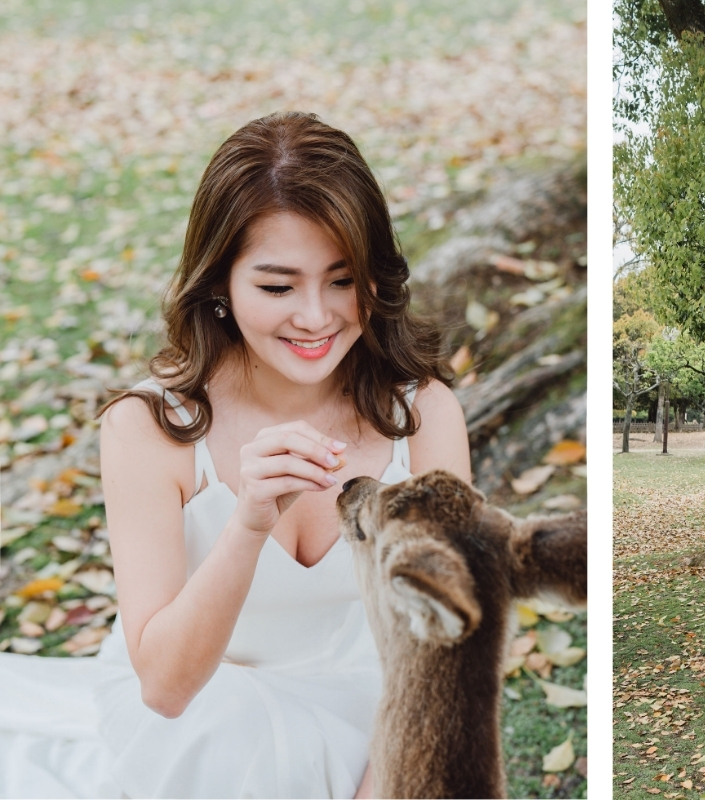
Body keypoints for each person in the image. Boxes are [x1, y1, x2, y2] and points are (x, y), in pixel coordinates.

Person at [0, 111, 470, 798]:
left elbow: (439, 650)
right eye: (278, 287)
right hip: (197, 726)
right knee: (230, 736)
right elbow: (164, 688)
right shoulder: (149, 429)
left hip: (377, 718)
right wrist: (247, 523)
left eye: (342, 280)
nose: (315, 316)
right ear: (220, 284)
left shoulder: (424, 418)